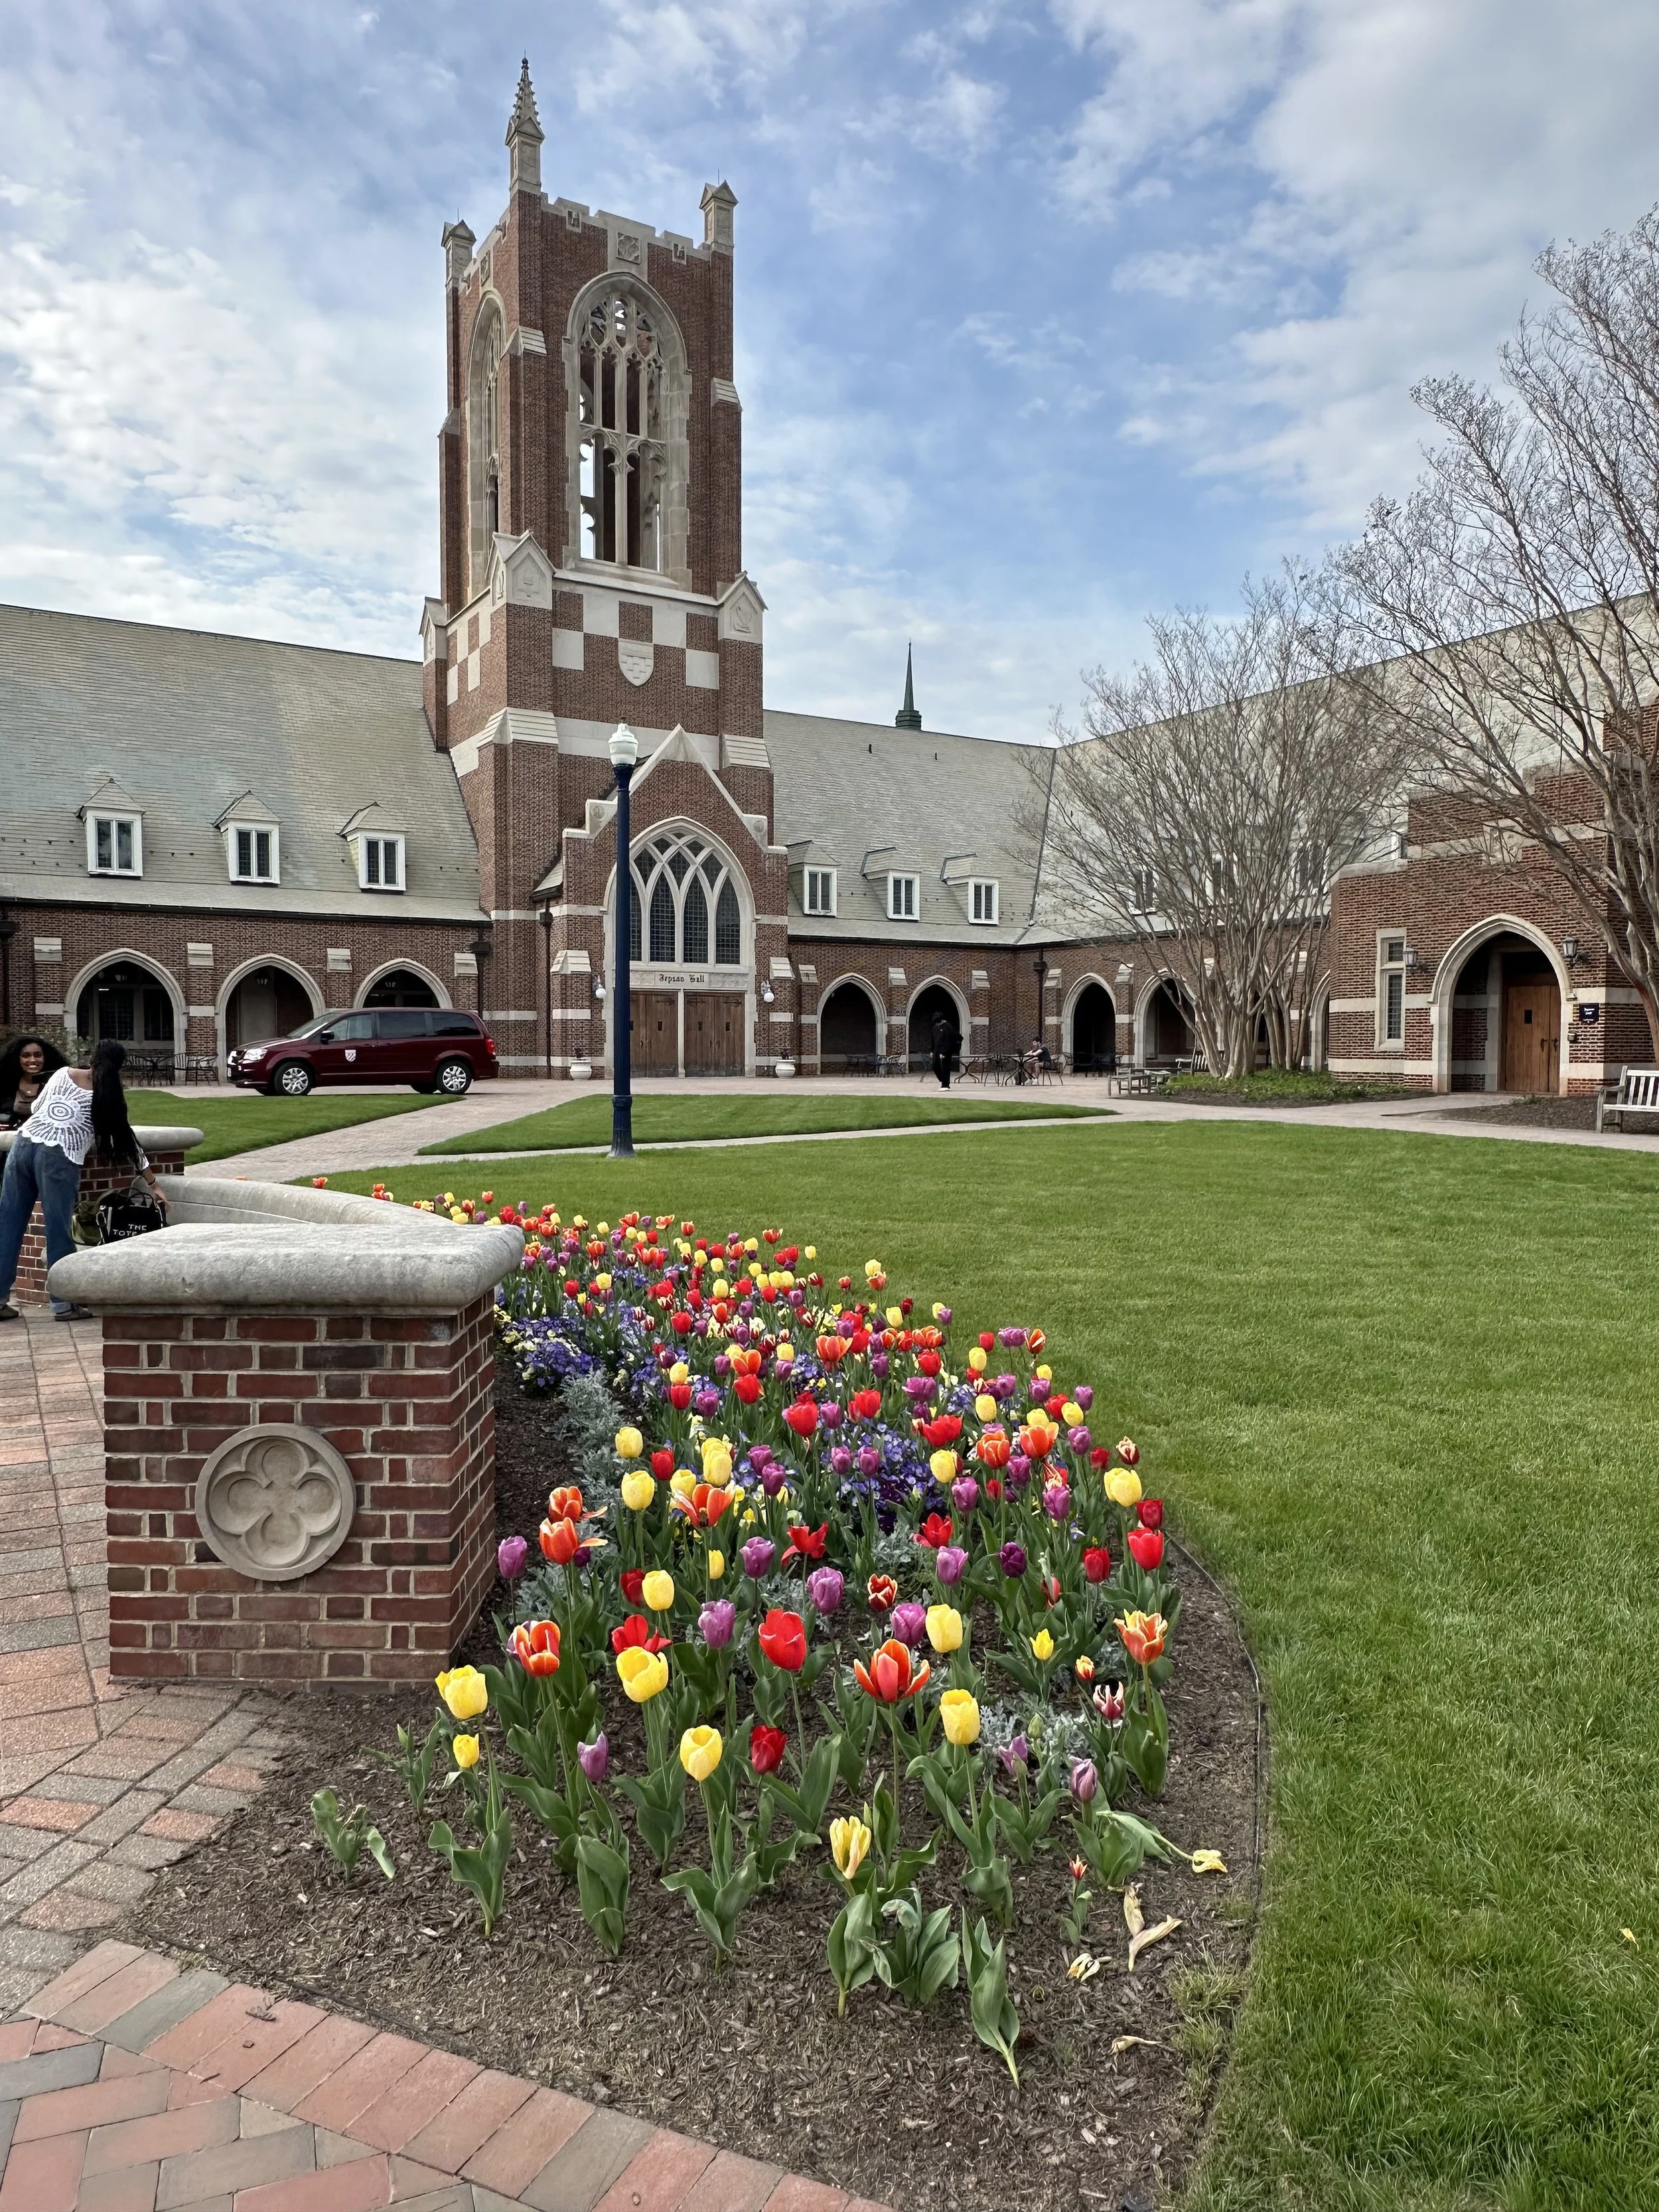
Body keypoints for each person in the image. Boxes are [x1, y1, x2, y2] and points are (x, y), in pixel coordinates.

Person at [0, 1040, 167, 1323]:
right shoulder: (107, 1094)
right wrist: (153, 1184)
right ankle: (64, 1304)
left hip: (23, 1146)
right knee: (58, 1229)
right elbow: (127, 1141)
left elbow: (38, 1106)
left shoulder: (62, 1073)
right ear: (119, 1066)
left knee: (8, 1223)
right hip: (59, 1158)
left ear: (92, 1058)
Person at [0, 1034, 67, 1128]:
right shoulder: (5, 1085)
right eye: (26, 1056)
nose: (33, 1060)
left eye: (38, 1055)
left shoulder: (58, 1084)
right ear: (17, 1058)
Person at [929, 1005, 962, 1090]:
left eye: (939, 1022)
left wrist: (944, 1052)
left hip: (945, 1050)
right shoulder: (935, 1028)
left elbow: (948, 1041)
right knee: (935, 1066)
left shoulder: (947, 1027)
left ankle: (945, 1085)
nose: (938, 1024)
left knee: (945, 1067)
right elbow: (933, 1039)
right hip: (937, 1049)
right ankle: (943, 1080)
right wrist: (932, 1050)